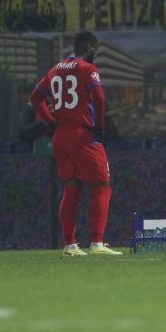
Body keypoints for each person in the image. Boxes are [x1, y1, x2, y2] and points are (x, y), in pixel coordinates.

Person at [28, 31, 122, 257]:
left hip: (61, 136)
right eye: (95, 51)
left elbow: (36, 98)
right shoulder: (88, 69)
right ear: (89, 48)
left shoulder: (54, 70)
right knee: (102, 187)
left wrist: (50, 121)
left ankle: (70, 245)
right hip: (83, 136)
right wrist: (100, 128)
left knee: (71, 189)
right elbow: (99, 99)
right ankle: (97, 243)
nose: (95, 55)